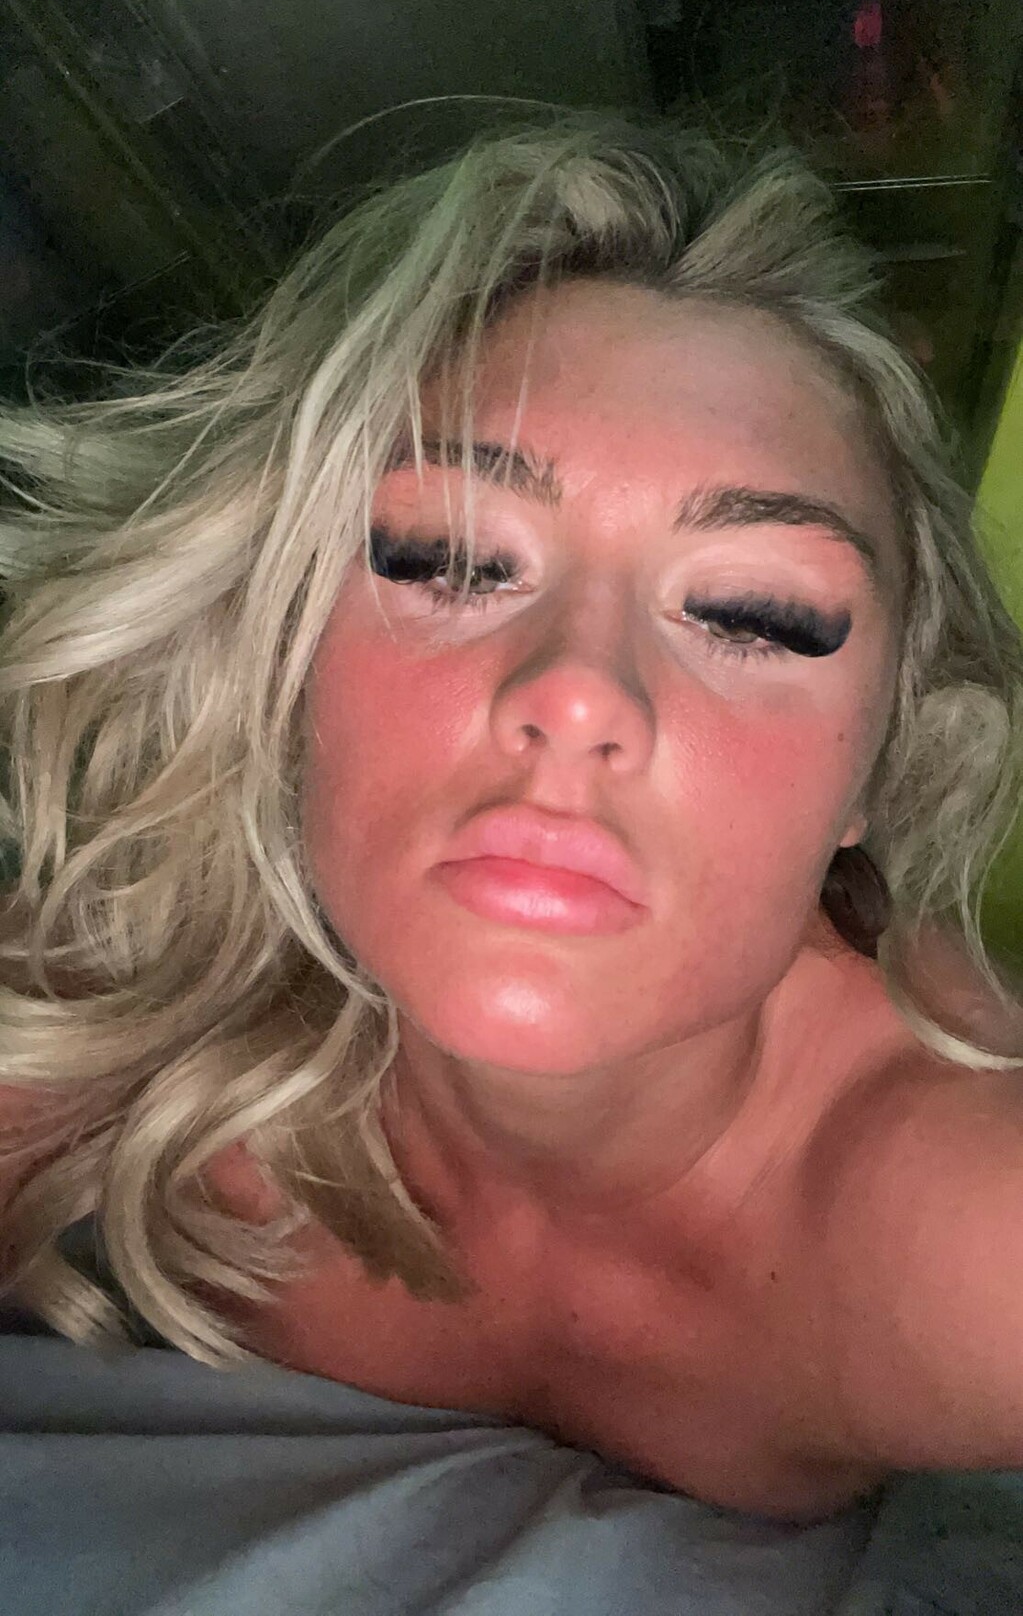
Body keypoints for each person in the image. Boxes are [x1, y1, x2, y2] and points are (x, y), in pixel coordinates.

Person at [0, 109, 1021, 1527]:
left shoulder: (962, 1209)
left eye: (755, 613)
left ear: (877, 769)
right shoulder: (130, 985)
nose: (578, 690)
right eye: (454, 560)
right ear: (289, 653)